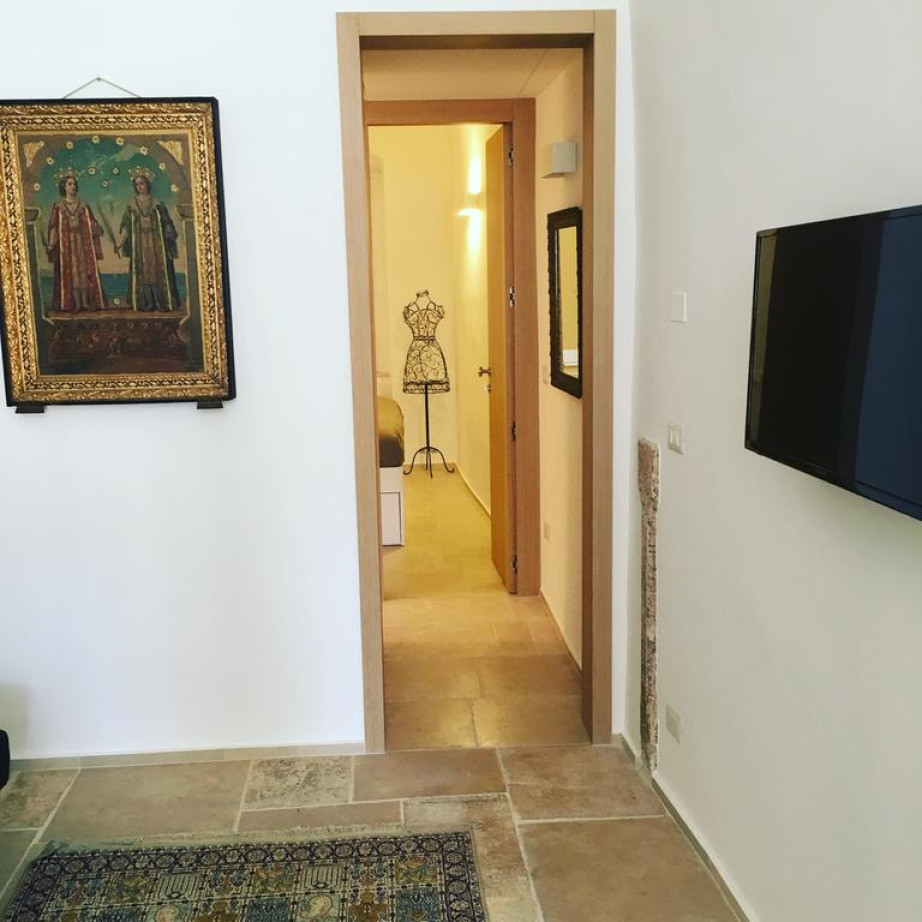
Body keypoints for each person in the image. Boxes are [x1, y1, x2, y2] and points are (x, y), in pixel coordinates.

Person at [116, 168, 181, 312]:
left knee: (157, 272)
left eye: (142, 183)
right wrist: (120, 242)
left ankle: (159, 301)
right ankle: (146, 302)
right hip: (140, 244)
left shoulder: (158, 204)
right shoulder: (131, 205)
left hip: (156, 243)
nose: (139, 186)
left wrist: (169, 230)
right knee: (144, 273)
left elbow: (167, 222)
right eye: (137, 184)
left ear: (147, 184)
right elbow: (126, 226)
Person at [46, 172, 108, 312]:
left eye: (74, 184)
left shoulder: (84, 205)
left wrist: (96, 228)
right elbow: (54, 227)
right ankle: (75, 303)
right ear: (64, 187)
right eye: (69, 184)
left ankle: (85, 302)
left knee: (84, 272)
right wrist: (51, 243)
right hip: (67, 245)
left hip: (82, 243)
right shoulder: (58, 206)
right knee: (72, 273)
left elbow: (92, 222)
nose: (73, 186)